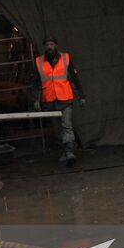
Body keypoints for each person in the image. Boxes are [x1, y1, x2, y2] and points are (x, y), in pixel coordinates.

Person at [34, 37, 85, 166]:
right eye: (47, 45)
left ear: (56, 45)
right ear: (44, 47)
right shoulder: (39, 62)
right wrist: (36, 99)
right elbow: (35, 83)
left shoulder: (65, 58)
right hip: (49, 100)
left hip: (65, 98)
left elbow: (73, 78)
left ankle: (69, 152)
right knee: (58, 130)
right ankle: (65, 152)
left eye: (52, 44)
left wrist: (81, 96)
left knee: (66, 125)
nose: (49, 47)